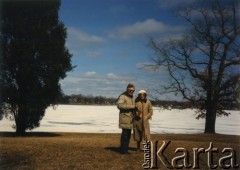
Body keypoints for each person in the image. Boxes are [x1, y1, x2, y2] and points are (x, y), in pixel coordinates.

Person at [117, 83, 136, 154]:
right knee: (125, 135)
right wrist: (130, 106)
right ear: (127, 89)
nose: (132, 91)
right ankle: (123, 150)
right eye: (130, 90)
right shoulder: (123, 96)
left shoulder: (132, 97)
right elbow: (119, 105)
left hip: (130, 119)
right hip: (125, 118)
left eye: (133, 90)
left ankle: (125, 149)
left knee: (128, 135)